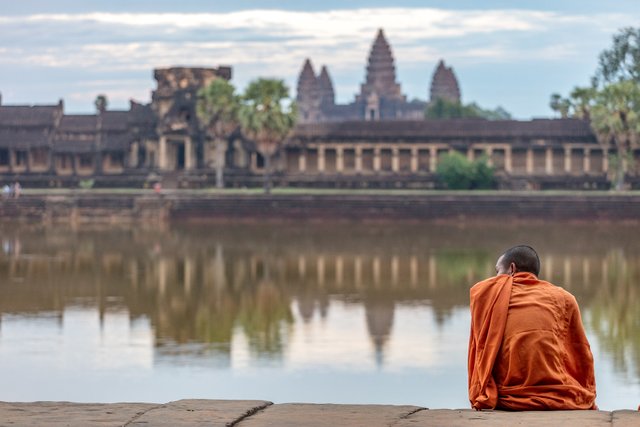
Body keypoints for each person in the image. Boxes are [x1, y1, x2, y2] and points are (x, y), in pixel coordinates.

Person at [468, 245, 596, 410]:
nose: (496, 277)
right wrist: (587, 396)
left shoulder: (487, 293)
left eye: (498, 271)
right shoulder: (565, 298)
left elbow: (481, 351)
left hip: (506, 394)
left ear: (512, 268)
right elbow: (581, 355)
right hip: (558, 394)